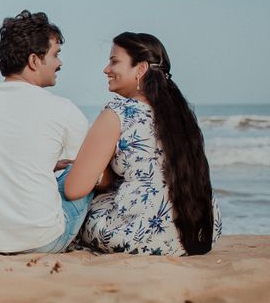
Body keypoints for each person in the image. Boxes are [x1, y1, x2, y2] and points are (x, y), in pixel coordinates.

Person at [63, 32, 221, 255]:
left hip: (135, 235)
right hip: (195, 234)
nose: (106, 69)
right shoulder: (181, 117)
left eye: (114, 61)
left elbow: (73, 189)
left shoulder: (118, 113)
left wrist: (91, 172)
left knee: (68, 183)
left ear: (141, 69)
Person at [0, 10, 92, 254]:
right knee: (86, 169)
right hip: (42, 241)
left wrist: (40, 165)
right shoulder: (63, 109)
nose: (59, 63)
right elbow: (92, 174)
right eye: (55, 55)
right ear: (34, 60)